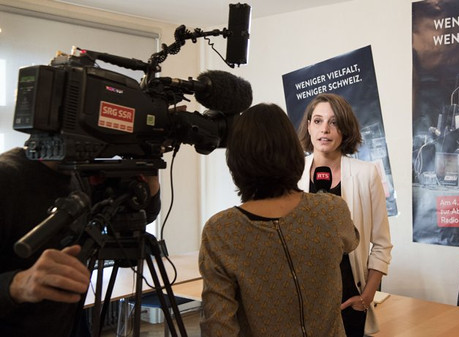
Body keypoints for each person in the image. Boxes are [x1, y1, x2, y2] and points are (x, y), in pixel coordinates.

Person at [199, 103, 360, 337]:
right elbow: (351, 240)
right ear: (293, 152)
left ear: (236, 159)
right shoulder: (331, 210)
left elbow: (218, 327)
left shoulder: (221, 230)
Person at [0, 147, 161, 336]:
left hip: (71, 320)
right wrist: (17, 284)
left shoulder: (80, 174)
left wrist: (149, 177)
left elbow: (137, 213)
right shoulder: (7, 178)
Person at [297, 93, 393, 336]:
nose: (325, 129)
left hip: (348, 296)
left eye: (334, 122)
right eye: (317, 121)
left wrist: (367, 296)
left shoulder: (366, 174)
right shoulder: (292, 174)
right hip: (301, 298)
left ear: (345, 128)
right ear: (308, 126)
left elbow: (382, 244)